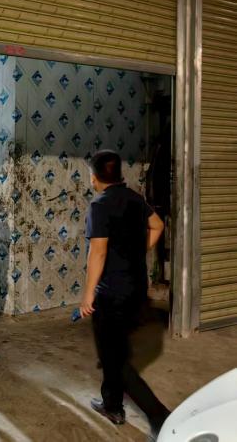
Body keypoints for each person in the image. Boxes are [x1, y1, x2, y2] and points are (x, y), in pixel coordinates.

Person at [80, 150, 170, 436]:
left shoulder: (99, 205)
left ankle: (160, 417)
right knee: (113, 351)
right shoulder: (134, 198)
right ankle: (112, 404)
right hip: (136, 289)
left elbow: (98, 252)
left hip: (112, 294)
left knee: (116, 362)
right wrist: (136, 251)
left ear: (94, 177)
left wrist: (88, 295)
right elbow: (158, 225)